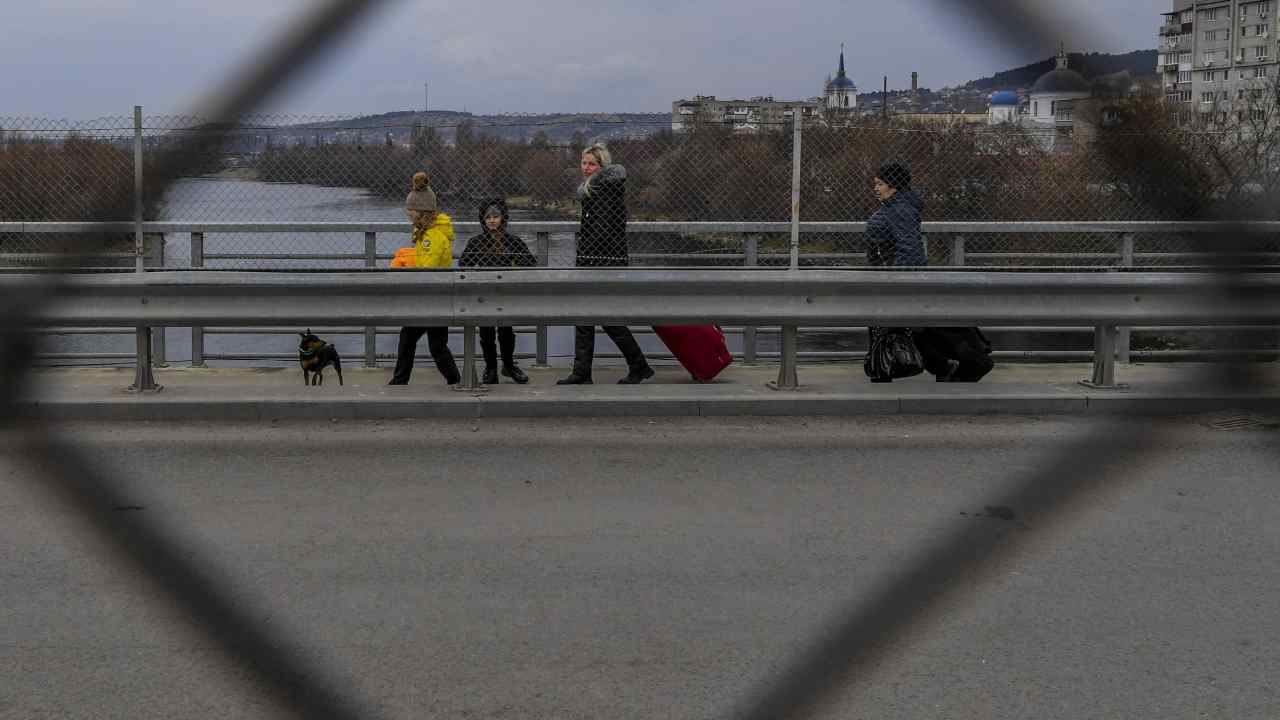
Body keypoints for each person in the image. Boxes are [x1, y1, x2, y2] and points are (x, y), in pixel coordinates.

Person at [557, 143, 654, 385]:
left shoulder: (603, 191)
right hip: (602, 261)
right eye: (583, 162)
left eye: (591, 163)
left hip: (600, 263)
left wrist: (585, 258)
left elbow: (600, 233)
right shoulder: (602, 188)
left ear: (601, 166)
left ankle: (634, 365)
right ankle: (590, 371)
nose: (586, 168)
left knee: (600, 317)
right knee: (591, 318)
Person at [387, 172, 460, 386]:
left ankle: (401, 381)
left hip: (431, 298)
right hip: (436, 297)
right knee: (434, 345)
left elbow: (427, 270)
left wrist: (407, 266)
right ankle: (454, 380)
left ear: (420, 211)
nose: (408, 213)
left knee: (415, 339)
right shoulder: (429, 232)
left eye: (410, 209)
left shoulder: (431, 237)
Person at [864, 163, 928, 383]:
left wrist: (894, 280)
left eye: (880, 184)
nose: (876, 188)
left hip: (891, 277)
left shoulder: (899, 209)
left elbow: (909, 249)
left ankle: (884, 369)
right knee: (892, 326)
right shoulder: (895, 206)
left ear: (894, 186)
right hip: (887, 275)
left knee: (889, 325)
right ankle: (882, 369)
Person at [459, 198, 534, 384]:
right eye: (488, 217)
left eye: (496, 216)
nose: (492, 220)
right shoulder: (476, 242)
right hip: (484, 294)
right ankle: (490, 368)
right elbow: (463, 265)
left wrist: (515, 274)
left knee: (506, 332)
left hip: (505, 293)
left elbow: (530, 263)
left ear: (503, 218)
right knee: (486, 332)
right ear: (482, 220)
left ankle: (508, 365)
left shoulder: (512, 241)